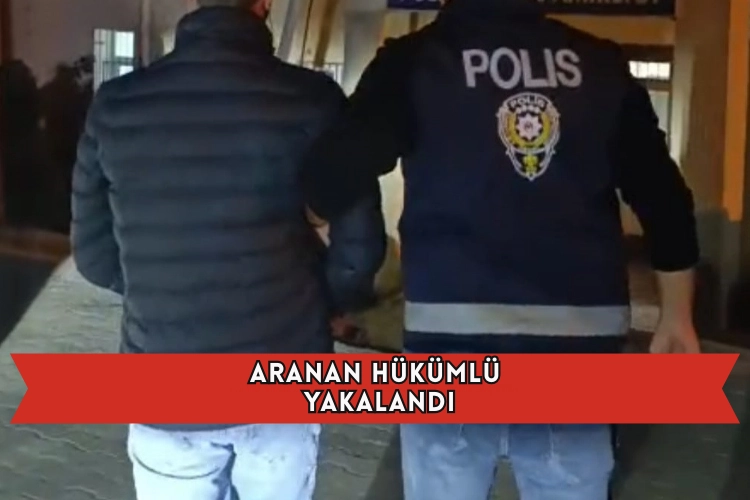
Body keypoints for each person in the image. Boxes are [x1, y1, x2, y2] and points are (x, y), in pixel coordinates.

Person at [301, 0, 700, 499]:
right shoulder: (599, 63)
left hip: (450, 349)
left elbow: (335, 171)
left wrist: (316, 216)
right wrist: (676, 315)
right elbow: (663, 196)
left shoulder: (417, 60)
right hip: (577, 353)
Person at [70, 0, 385, 499]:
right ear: (264, 5)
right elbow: (360, 244)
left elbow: (91, 254)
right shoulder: (312, 99)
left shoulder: (116, 104)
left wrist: (162, 285)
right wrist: (322, 302)